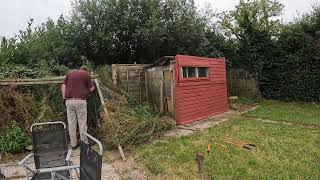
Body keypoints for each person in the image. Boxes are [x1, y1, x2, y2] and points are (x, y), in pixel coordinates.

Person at [61, 66, 95, 149]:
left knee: (71, 123)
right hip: (80, 101)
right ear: (87, 70)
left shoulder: (70, 73)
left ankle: (73, 144)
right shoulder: (86, 75)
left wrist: (64, 97)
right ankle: (84, 144)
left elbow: (63, 85)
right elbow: (91, 89)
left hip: (69, 101)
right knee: (82, 123)